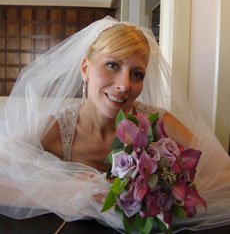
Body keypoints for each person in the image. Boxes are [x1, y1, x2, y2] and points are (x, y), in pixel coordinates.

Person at [0, 16, 229, 234]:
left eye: (137, 74)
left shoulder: (159, 122)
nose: (124, 85)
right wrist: (62, 192)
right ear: (85, 69)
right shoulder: (58, 128)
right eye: (112, 65)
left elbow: (226, 174)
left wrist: (163, 189)